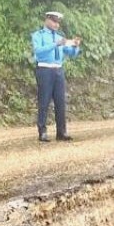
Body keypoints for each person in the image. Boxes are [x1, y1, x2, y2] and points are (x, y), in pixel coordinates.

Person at [32, 11, 81, 142]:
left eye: (58, 22)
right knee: (44, 102)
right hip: (44, 69)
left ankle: (61, 132)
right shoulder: (38, 35)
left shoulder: (60, 37)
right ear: (47, 20)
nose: (56, 24)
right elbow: (38, 52)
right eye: (54, 21)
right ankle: (42, 132)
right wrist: (55, 44)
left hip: (58, 70)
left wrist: (75, 46)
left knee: (60, 102)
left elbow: (71, 53)